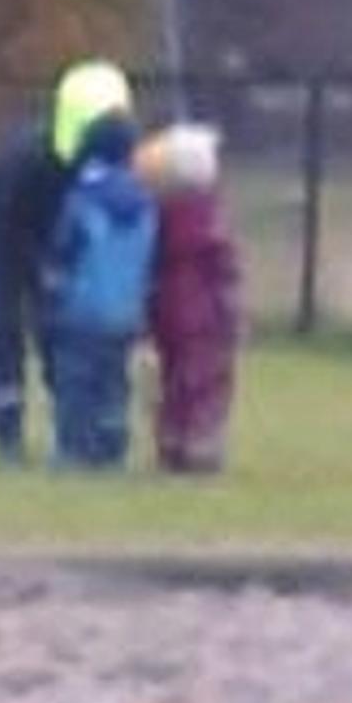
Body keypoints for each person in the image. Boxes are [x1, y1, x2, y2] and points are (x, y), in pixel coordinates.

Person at [0, 59, 132, 468]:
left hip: (48, 241)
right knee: (2, 327)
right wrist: (42, 269)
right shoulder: (28, 163)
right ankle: (9, 434)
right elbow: (7, 227)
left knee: (62, 331)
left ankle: (76, 431)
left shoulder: (99, 165)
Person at [41, 99, 158, 474]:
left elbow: (64, 249)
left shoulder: (82, 198)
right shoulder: (146, 204)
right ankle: (112, 449)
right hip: (126, 312)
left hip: (82, 310)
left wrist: (51, 289)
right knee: (113, 386)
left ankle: (74, 451)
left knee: (76, 383)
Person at [137, 124, 246, 475]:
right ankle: (199, 447)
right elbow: (225, 271)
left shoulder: (159, 216)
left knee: (173, 379)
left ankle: (171, 440)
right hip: (205, 317)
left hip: (166, 311)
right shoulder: (209, 221)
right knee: (206, 381)